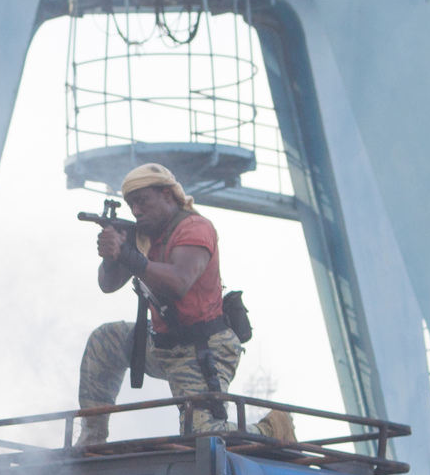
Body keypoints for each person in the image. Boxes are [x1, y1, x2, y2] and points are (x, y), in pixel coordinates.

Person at [76, 163, 289, 447]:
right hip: (163, 344)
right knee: (104, 341)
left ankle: (272, 429)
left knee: (205, 437)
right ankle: (92, 438)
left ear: (167, 195)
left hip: (203, 350)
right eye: (131, 204)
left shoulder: (195, 228)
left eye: (143, 201)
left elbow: (179, 282)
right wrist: (111, 254)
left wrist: (127, 254)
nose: (136, 210)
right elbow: (108, 284)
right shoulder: (145, 236)